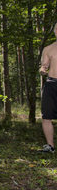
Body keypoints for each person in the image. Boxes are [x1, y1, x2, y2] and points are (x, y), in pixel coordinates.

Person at [39, 23, 57, 153]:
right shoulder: (48, 49)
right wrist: (43, 70)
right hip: (51, 84)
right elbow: (44, 66)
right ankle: (50, 146)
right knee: (46, 116)